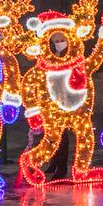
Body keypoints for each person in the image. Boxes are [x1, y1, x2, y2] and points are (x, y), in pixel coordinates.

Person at [44, 31, 71, 180]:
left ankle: (62, 168)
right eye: (56, 41)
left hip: (66, 100)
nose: (59, 43)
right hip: (52, 99)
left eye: (62, 40)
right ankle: (54, 163)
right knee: (52, 134)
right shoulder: (54, 55)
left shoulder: (70, 56)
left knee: (62, 135)